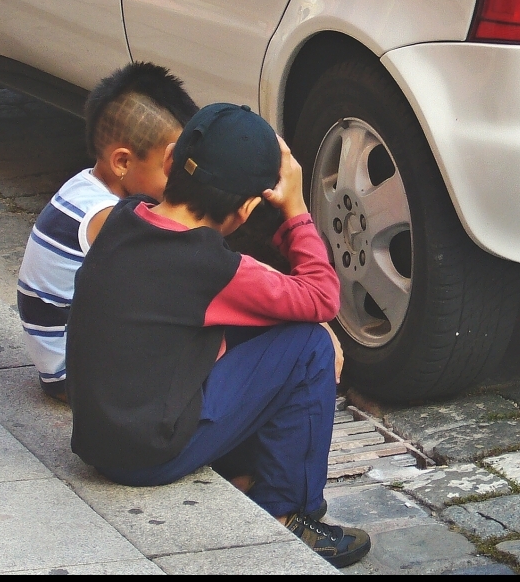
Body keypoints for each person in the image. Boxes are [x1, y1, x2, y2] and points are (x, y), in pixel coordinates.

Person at [64, 102, 371, 568]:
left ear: (171, 160)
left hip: (101, 437)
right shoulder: (210, 266)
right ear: (247, 207)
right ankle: (290, 511)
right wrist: (295, 209)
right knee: (308, 345)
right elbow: (322, 297)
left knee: (260, 332)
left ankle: (244, 472)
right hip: (146, 454)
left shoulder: (124, 216)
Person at [16, 61, 199, 403]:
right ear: (123, 162)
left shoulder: (84, 187)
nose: (179, 180)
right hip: (76, 377)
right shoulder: (106, 216)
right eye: (170, 168)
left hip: (61, 363)